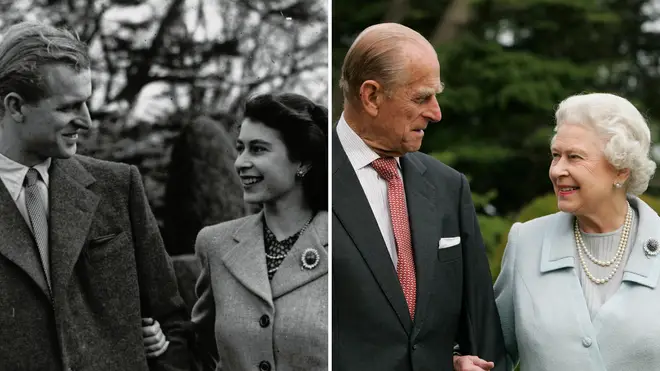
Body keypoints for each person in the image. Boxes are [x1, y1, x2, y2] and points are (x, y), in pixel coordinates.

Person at [0, 21, 191, 370]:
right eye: (68, 107)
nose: (86, 121)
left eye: (86, 103)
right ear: (15, 107)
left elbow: (172, 321)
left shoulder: (118, 185)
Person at [332, 22, 506, 371]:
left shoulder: (449, 187)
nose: (436, 112)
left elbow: (482, 331)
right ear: (372, 96)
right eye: (421, 97)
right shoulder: (306, 182)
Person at [454, 93, 660, 371]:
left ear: (621, 170)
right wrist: (460, 361)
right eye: (555, 156)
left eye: (574, 157)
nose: (557, 170)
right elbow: (490, 350)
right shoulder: (526, 243)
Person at [189, 93, 329, 370]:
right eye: (240, 148)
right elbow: (203, 346)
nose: (240, 162)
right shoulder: (214, 244)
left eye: (258, 149)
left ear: (302, 162)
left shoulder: (347, 238)